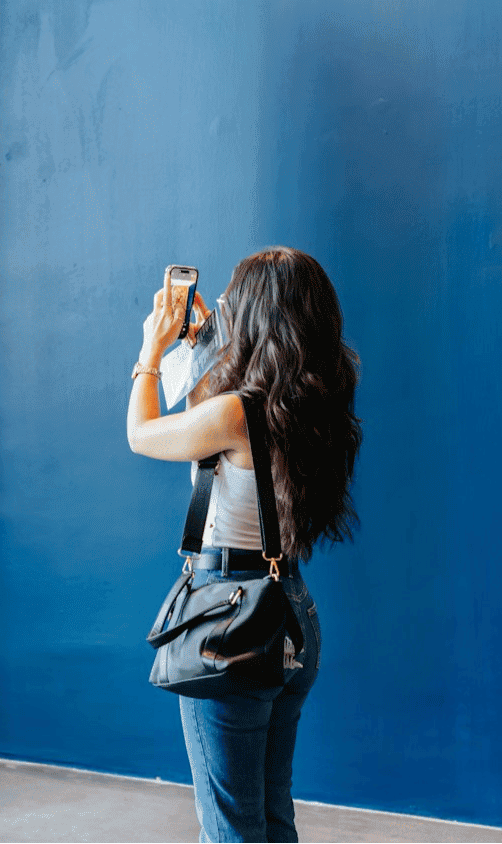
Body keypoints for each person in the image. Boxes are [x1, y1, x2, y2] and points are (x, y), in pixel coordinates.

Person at [127, 247, 362, 842]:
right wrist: (204, 344)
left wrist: (151, 352)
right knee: (270, 813)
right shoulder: (319, 400)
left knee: (229, 826)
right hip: (291, 613)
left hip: (228, 614)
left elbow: (142, 435)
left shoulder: (236, 414)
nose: (225, 303)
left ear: (256, 314)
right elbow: (209, 419)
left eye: (235, 295)